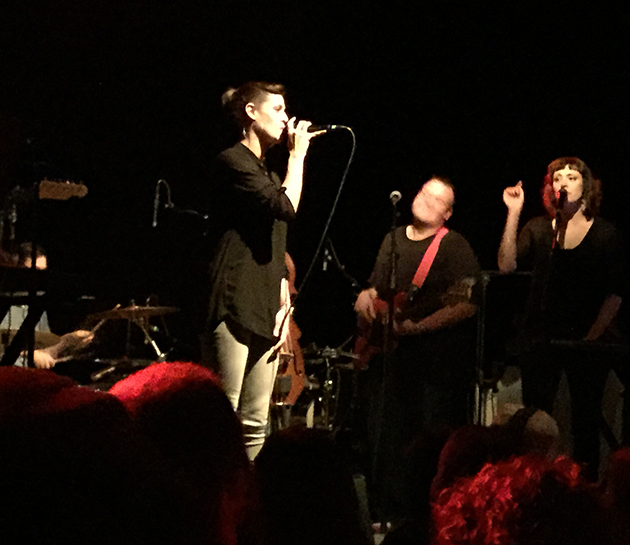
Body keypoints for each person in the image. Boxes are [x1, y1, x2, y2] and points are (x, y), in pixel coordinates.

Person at [202, 81, 322, 460]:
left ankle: (248, 495)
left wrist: (283, 292)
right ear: (251, 113)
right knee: (223, 416)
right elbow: (285, 207)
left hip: (265, 303)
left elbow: (275, 238)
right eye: (278, 109)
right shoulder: (233, 161)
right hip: (234, 299)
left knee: (256, 422)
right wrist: (298, 157)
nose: (286, 118)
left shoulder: (268, 174)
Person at [353, 177, 481, 522]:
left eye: (437, 199)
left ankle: (423, 518)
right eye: (425, 193)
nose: (427, 200)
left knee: (423, 442)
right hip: (387, 359)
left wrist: (419, 328)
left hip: (431, 366)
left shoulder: (453, 246)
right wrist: (365, 297)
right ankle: (383, 511)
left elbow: (467, 304)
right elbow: (377, 288)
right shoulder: (392, 239)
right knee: (383, 436)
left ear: (447, 214)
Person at [498, 157, 625, 479]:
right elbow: (506, 265)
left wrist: (592, 336)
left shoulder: (605, 233)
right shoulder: (540, 228)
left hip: (586, 341)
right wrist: (513, 213)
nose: (563, 182)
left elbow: (616, 292)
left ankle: (584, 490)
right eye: (557, 178)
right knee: (535, 420)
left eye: (572, 176)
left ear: (586, 186)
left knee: (585, 421)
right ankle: (530, 485)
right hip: (541, 338)